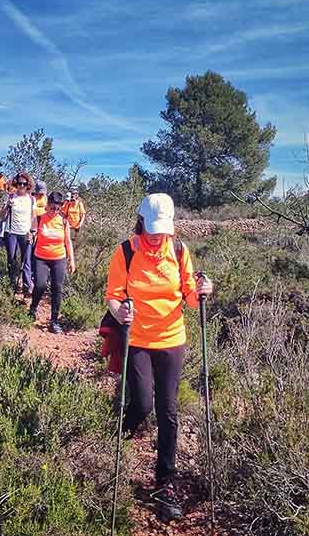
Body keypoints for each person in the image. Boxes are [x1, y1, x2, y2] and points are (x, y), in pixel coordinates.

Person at [104, 193, 213, 521]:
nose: (156, 235)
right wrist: (120, 311)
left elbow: (190, 298)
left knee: (168, 411)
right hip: (136, 338)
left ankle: (164, 483)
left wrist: (202, 292)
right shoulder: (125, 252)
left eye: (162, 229)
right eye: (152, 229)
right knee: (142, 404)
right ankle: (117, 438)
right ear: (141, 221)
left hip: (171, 339)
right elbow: (113, 295)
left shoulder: (179, 251)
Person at [29, 192, 76, 333]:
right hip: (40, 257)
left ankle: (54, 320)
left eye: (57, 209)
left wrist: (71, 260)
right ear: (47, 205)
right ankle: (32, 308)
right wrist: (30, 235)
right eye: (51, 207)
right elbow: (32, 232)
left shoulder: (63, 221)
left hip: (58, 258)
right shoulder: (39, 218)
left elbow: (68, 241)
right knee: (40, 285)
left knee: (57, 288)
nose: (54, 211)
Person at [0, 172, 35, 294]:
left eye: (24, 184)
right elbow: (1, 217)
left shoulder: (31, 199)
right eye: (19, 183)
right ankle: (11, 284)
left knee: (26, 260)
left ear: (28, 185)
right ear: (16, 184)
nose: (21, 186)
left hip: (25, 233)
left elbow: (33, 218)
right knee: (11, 259)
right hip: (11, 232)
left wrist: (32, 232)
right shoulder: (11, 197)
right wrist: (7, 206)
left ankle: (26, 286)